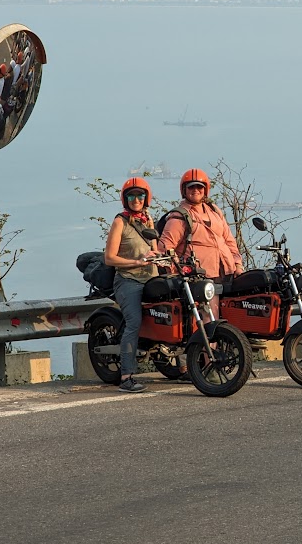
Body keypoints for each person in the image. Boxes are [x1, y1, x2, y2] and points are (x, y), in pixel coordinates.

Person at [155, 168, 245, 319]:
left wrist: (237, 264)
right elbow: (165, 249)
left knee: (234, 316)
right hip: (201, 277)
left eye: (199, 187)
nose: (195, 190)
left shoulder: (214, 210)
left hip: (226, 273)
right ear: (184, 190)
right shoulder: (180, 216)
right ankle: (207, 343)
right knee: (210, 318)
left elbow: (229, 241)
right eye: (191, 187)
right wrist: (179, 270)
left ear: (205, 189)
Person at [103, 177, 158, 393]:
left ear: (146, 198)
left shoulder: (148, 220)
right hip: (128, 280)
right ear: (125, 199)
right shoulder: (120, 222)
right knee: (134, 322)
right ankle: (126, 377)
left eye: (140, 195)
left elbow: (154, 247)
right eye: (132, 196)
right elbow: (109, 258)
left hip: (151, 279)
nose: (136, 199)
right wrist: (136, 262)